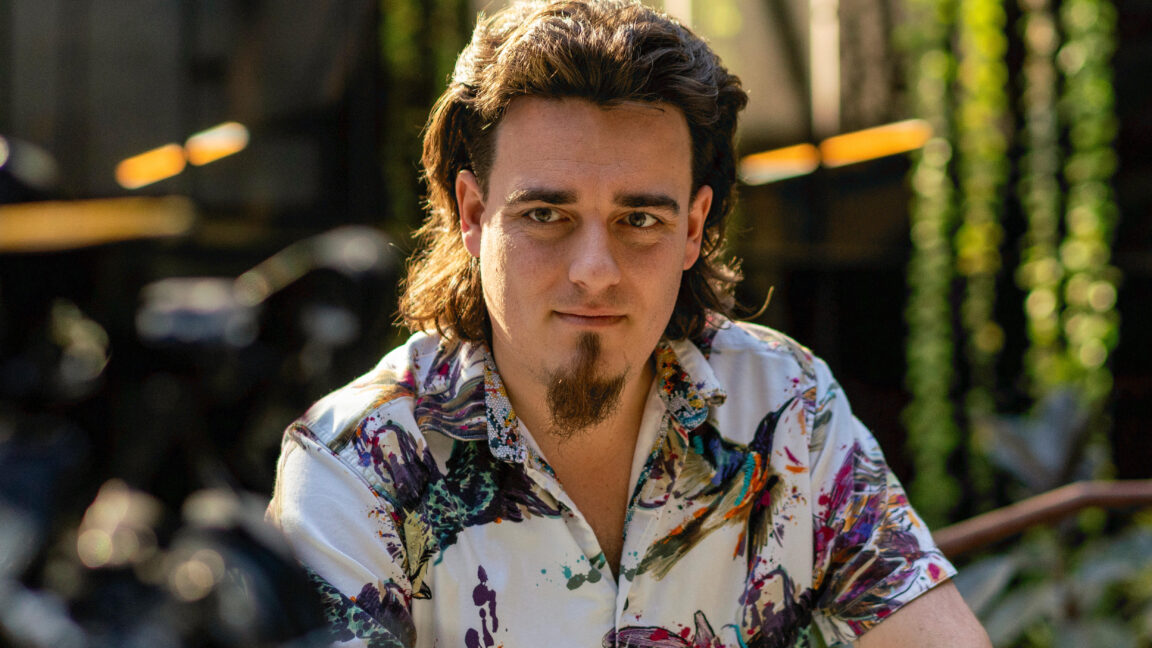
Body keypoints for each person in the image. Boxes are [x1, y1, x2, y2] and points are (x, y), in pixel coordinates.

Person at [267, 1, 992, 646]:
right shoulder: (357, 464)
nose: (595, 270)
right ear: (474, 214)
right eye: (545, 214)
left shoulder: (786, 409)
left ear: (693, 229)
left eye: (639, 219)